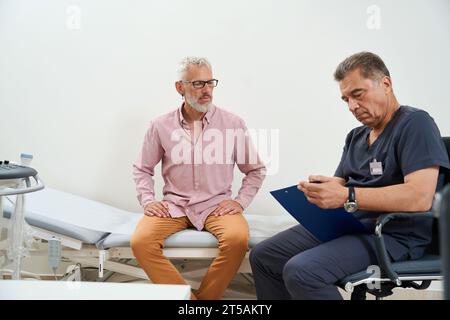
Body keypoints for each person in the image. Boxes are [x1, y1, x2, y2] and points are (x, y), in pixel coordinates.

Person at [249, 51, 450, 300]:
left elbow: (419, 196)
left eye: (358, 95)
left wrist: (348, 194)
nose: (352, 106)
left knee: (303, 271)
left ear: (386, 84)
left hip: (392, 235)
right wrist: (322, 188)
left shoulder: (415, 124)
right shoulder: (356, 136)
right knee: (264, 256)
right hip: (350, 225)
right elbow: (343, 182)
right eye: (346, 100)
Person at [131, 56, 266, 300]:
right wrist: (148, 201)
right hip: (174, 206)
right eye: (198, 84)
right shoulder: (160, 125)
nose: (206, 91)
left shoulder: (233, 124)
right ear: (180, 87)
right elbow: (142, 168)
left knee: (237, 239)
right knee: (141, 242)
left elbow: (255, 170)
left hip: (217, 205)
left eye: (210, 83)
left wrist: (239, 202)